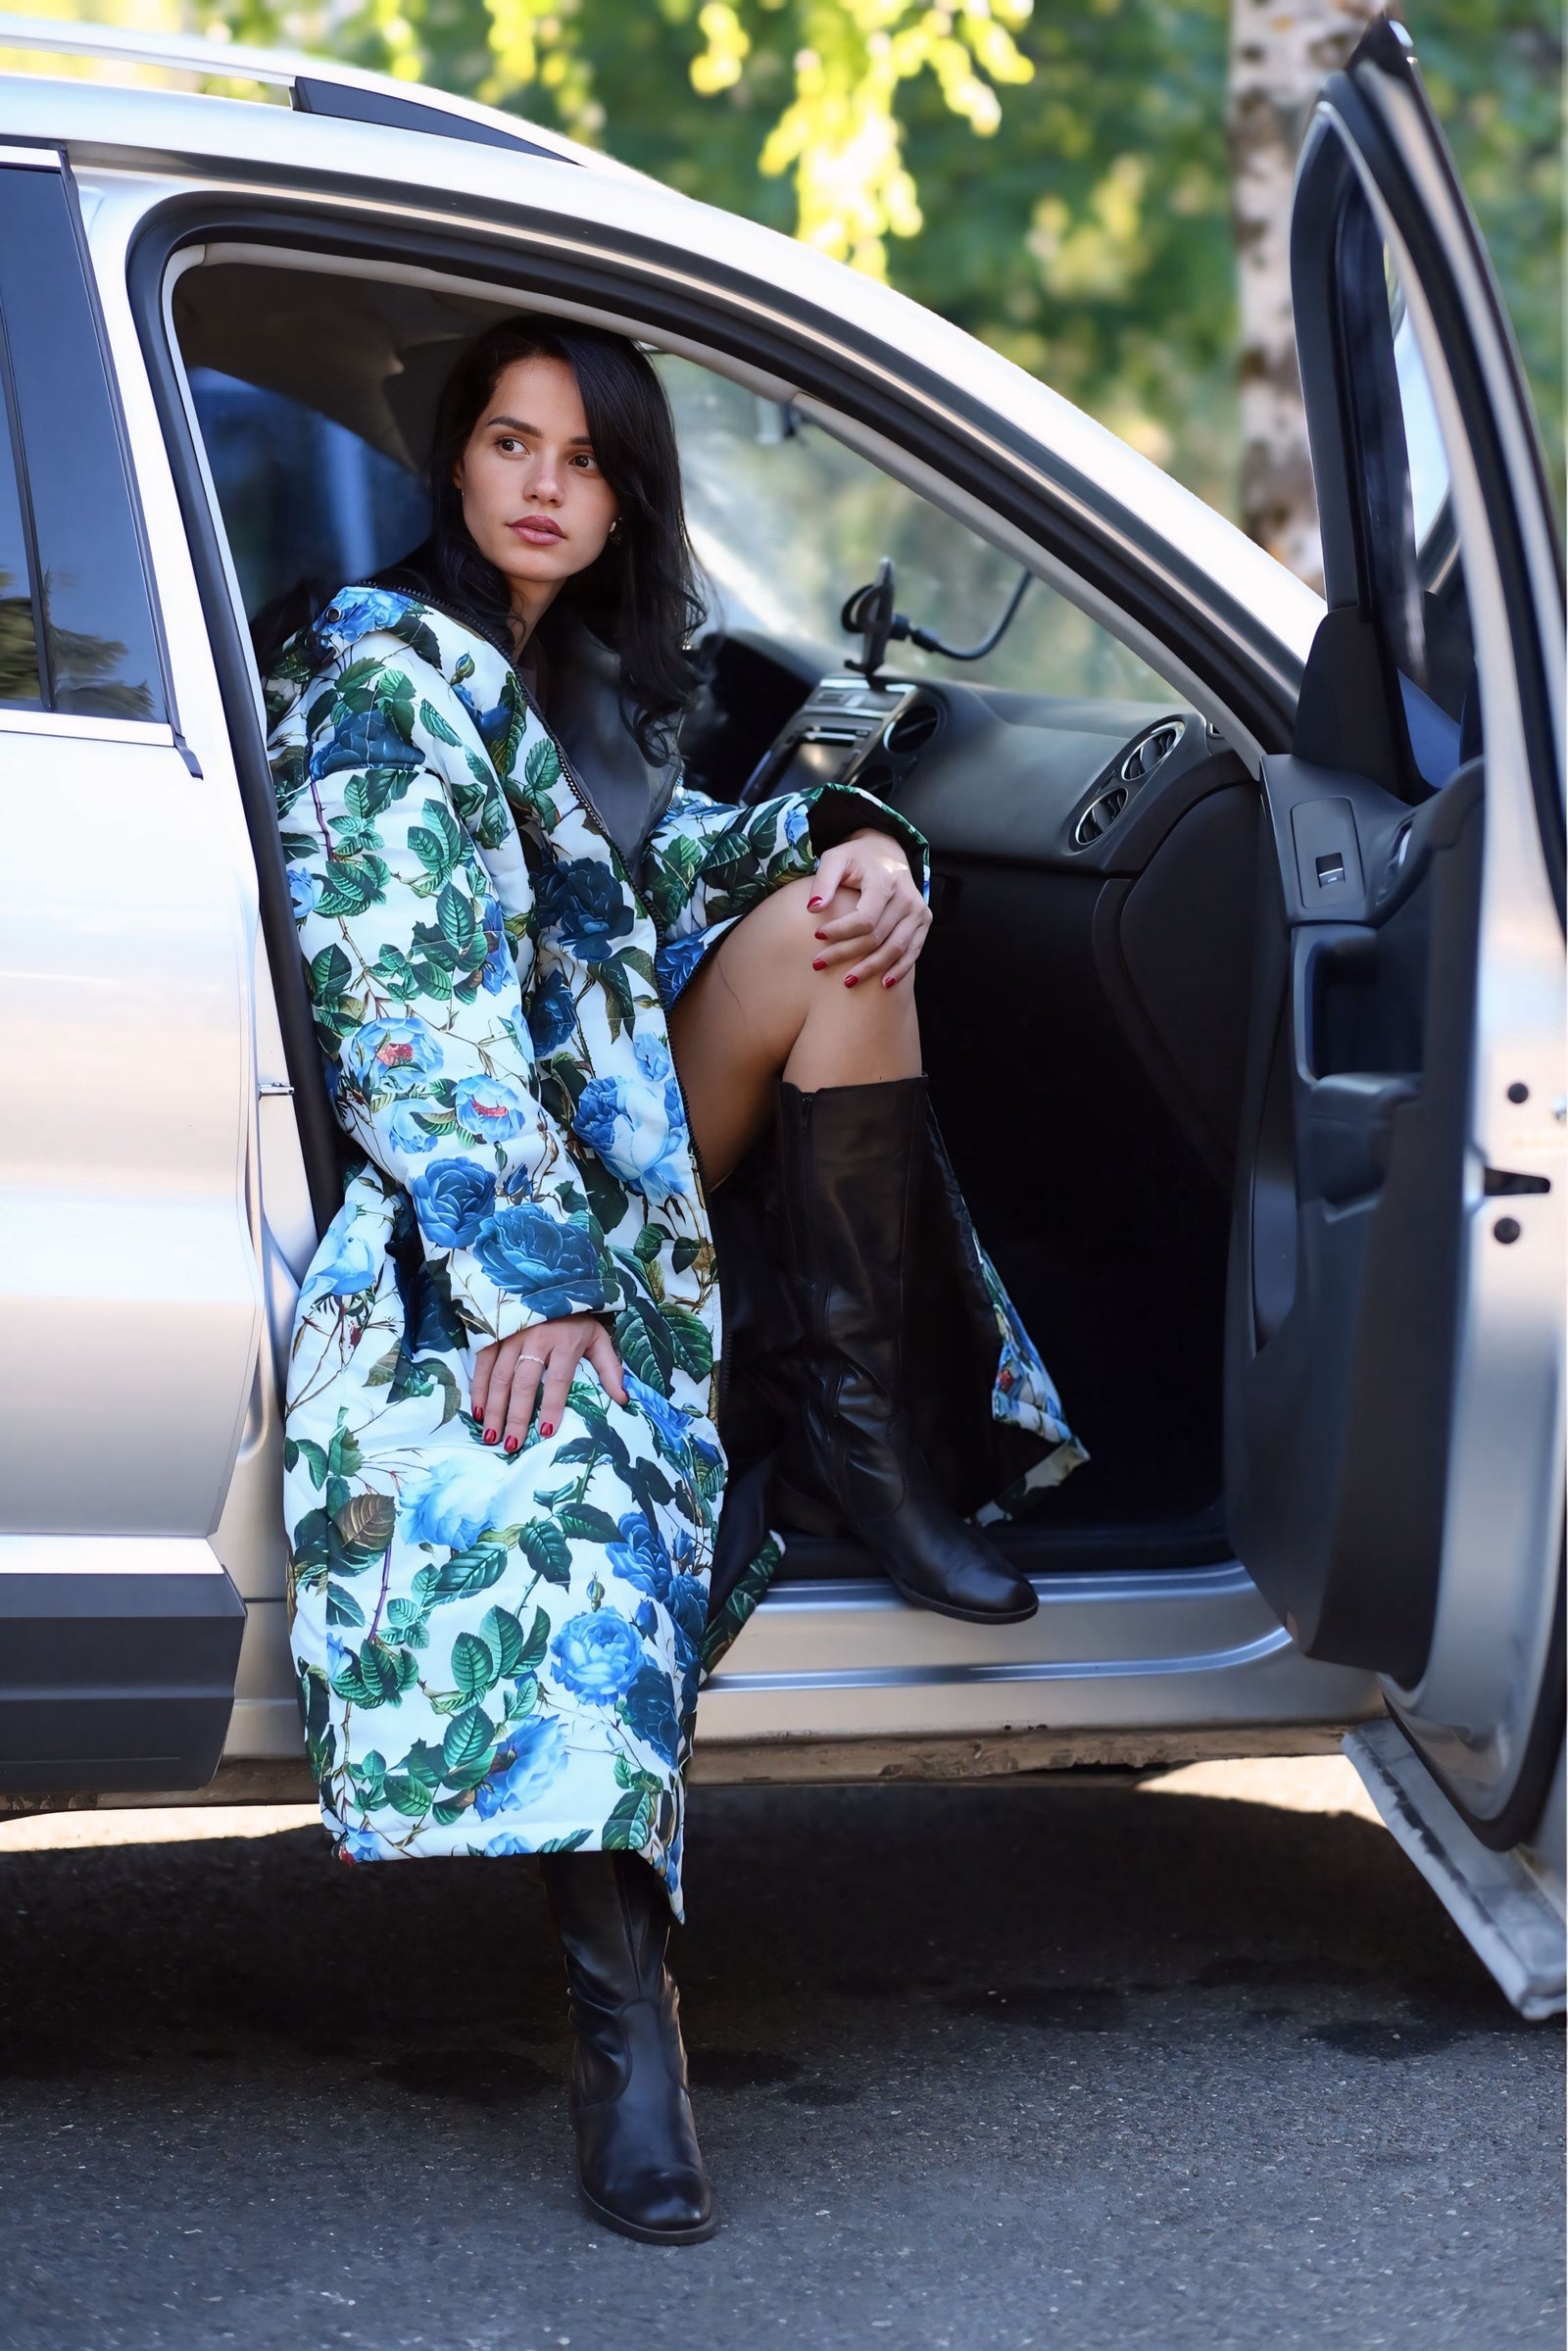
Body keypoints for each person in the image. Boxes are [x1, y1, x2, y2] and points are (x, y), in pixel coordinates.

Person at [266, 318, 1083, 2246]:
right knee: (566, 1474)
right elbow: (413, 1007)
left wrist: (851, 845)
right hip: (481, 1197)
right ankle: (628, 2031)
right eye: (508, 444)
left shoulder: (579, 675)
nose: (543, 485)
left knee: (843, 936)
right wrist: (534, 1279)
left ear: (627, 495)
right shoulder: (386, 679)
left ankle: (864, 1443)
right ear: (454, 464)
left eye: (584, 458)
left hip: (619, 1134)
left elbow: (650, 881)